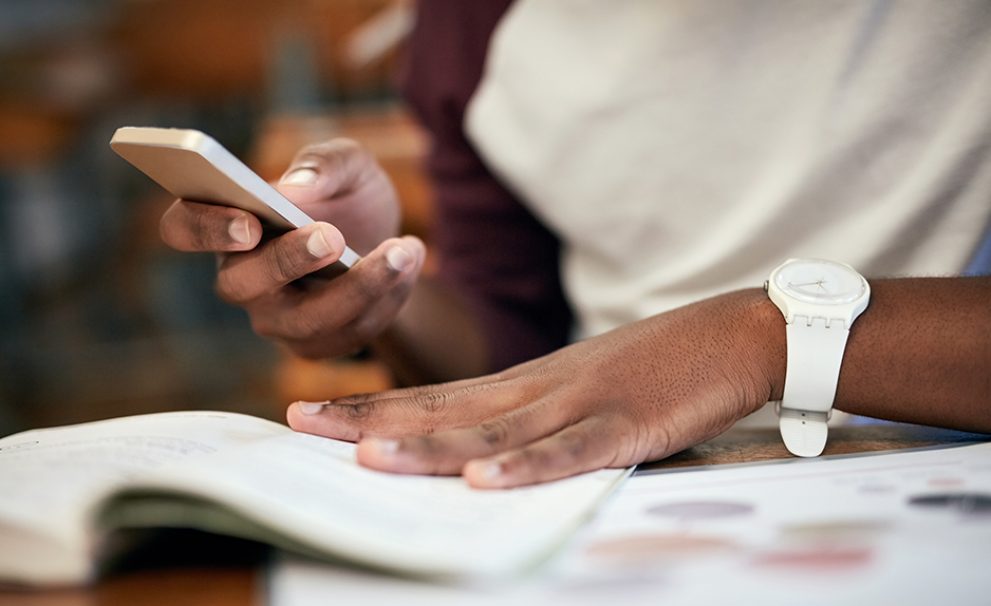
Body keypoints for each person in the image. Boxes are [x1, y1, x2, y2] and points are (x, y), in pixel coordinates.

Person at [159, 1, 991, 488]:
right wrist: (377, 283)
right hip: (604, 491)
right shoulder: (467, 25)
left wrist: (759, 342)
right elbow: (512, 333)